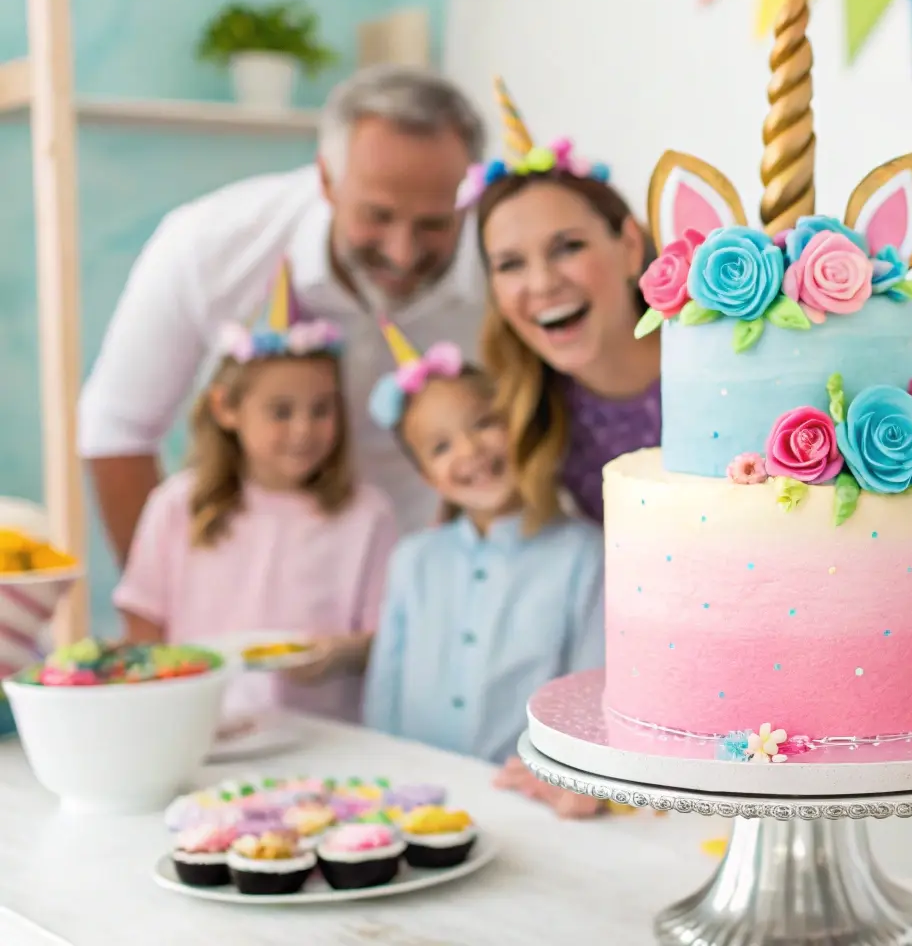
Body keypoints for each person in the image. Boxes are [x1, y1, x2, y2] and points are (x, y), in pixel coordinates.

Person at [79, 65, 488, 557]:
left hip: (412, 564)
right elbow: (118, 428)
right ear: (327, 181)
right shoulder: (209, 246)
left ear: (470, 198)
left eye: (434, 224)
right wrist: (159, 603)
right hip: (236, 563)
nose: (402, 253)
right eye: (377, 216)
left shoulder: (513, 264)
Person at [114, 263, 396, 723]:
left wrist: (339, 652)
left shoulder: (366, 514)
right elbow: (144, 622)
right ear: (227, 408)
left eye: (322, 409)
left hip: (323, 737)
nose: (304, 430)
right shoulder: (178, 505)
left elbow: (381, 637)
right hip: (201, 728)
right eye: (281, 412)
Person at [361, 317, 604, 789]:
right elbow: (383, 695)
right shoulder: (413, 561)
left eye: (485, 423)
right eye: (441, 446)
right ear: (428, 476)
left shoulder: (584, 555)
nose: (470, 450)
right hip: (415, 792)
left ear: (518, 424)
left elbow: (588, 691)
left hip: (525, 794)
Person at [469, 85, 661, 530]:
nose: (542, 284)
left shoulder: (725, 363)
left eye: (568, 247)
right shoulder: (521, 422)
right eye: (510, 264)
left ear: (629, 247)